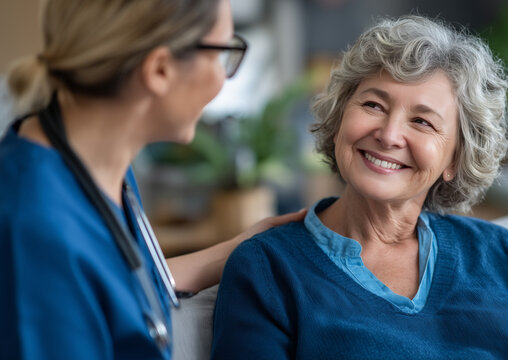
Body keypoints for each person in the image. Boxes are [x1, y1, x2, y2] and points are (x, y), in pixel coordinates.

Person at [210, 15, 508, 359]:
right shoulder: (268, 269)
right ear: (340, 117)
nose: (389, 134)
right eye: (374, 105)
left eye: (422, 122)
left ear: (454, 160)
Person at [0, 0, 305, 358]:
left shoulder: (99, 166)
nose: (224, 78)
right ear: (160, 69)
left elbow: (118, 281)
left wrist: (245, 247)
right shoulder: (36, 232)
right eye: (223, 53)